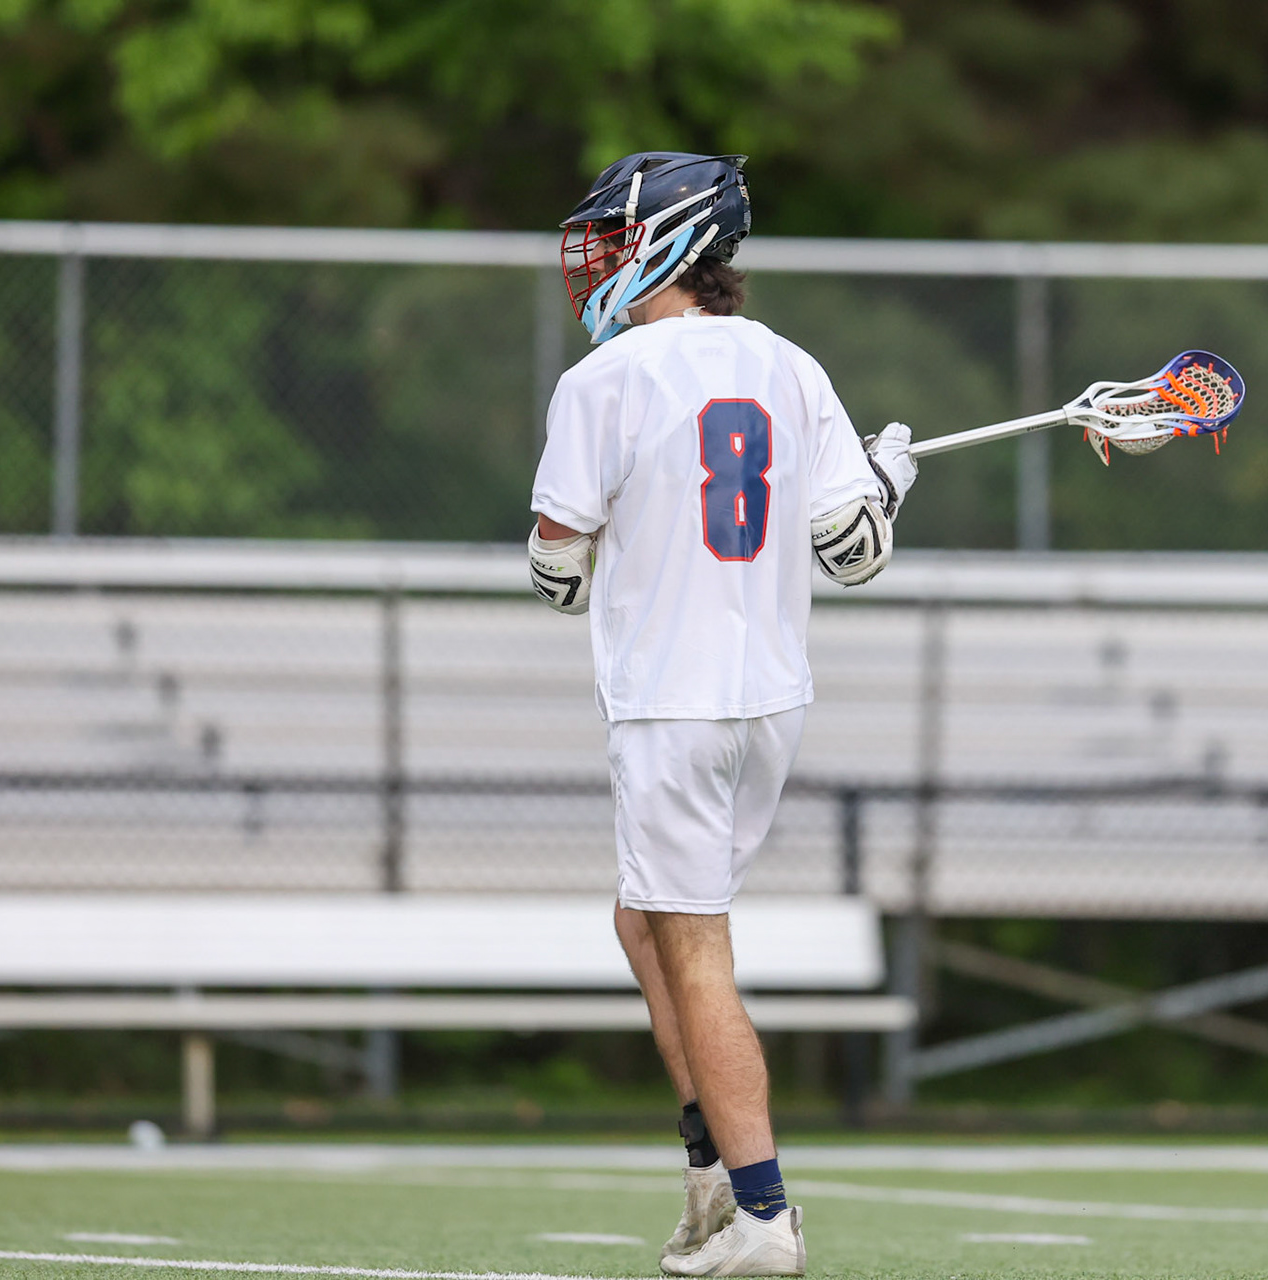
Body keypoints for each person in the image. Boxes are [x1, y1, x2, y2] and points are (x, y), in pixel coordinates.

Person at [526, 152, 917, 1278]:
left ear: (673, 242)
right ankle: (710, 1170)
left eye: (611, 237)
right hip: (768, 704)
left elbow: (557, 572)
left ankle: (764, 1216)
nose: (596, 257)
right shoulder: (792, 366)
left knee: (695, 947)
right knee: (643, 921)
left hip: (672, 704)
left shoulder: (604, 380)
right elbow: (855, 551)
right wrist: (886, 475)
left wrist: (604, 541)